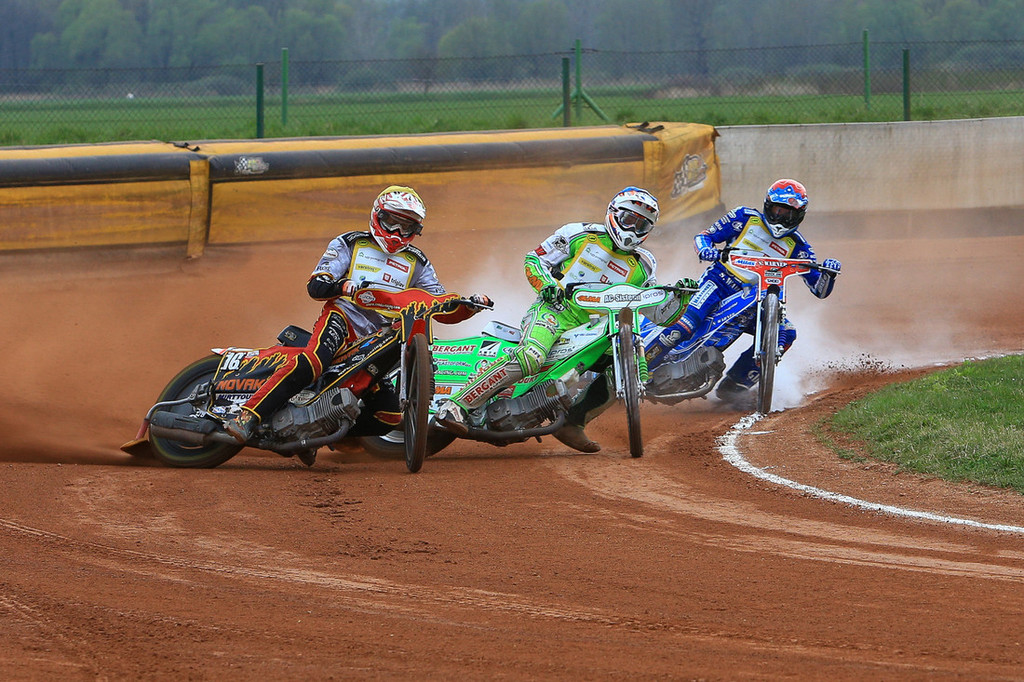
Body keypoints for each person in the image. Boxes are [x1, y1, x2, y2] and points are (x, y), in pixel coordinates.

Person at [223, 185, 490, 464]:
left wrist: (468, 306)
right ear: (378, 216)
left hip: (378, 338)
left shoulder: (418, 262)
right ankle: (247, 415)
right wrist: (342, 286)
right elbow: (316, 285)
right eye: (392, 222)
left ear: (416, 230)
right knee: (314, 362)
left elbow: (437, 304)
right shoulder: (351, 243)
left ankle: (315, 433)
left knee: (389, 415)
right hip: (343, 318)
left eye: (406, 227)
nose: (397, 232)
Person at [434, 186, 689, 453]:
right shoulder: (579, 233)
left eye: (641, 225)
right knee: (531, 356)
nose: (633, 229)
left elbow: (657, 313)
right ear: (613, 214)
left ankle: (572, 423)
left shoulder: (645, 264)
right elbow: (534, 259)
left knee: (627, 368)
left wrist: (680, 299)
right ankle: (457, 405)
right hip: (555, 311)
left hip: (600, 327)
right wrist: (546, 284)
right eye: (628, 220)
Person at [644, 178, 841, 406]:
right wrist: (706, 250)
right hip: (718, 284)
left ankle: (735, 386)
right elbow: (704, 236)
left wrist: (830, 274)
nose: (781, 217)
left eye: (788, 213)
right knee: (686, 324)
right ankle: (639, 369)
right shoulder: (743, 217)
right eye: (778, 210)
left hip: (758, 301)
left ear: (799, 215)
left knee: (786, 333)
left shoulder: (798, 247)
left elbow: (820, 290)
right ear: (768, 206)